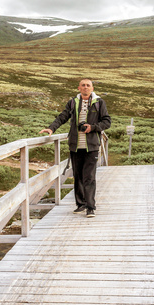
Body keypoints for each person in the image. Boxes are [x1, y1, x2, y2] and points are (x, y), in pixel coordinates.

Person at [39, 79, 111, 218]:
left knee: (89, 177)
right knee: (77, 176)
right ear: (79, 88)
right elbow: (62, 117)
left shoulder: (99, 102)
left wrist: (93, 127)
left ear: (92, 88)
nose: (85, 87)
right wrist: (51, 128)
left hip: (92, 146)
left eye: (88, 85)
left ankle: (90, 207)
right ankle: (81, 204)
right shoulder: (73, 102)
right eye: (83, 85)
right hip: (76, 146)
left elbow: (107, 121)